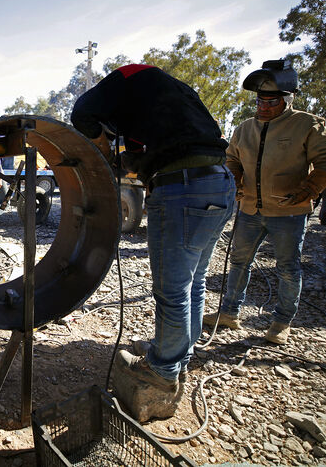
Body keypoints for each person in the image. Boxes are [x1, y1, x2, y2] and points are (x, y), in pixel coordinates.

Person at [71, 64, 235, 420]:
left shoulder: (127, 76)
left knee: (172, 289)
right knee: (193, 282)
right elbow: (144, 155)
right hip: (219, 182)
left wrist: (99, 145)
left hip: (183, 187)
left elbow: (81, 112)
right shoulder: (170, 95)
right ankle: (177, 357)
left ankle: (161, 373)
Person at [203, 59, 326, 345]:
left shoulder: (306, 124)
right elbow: (232, 158)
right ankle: (229, 313)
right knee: (239, 261)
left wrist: (311, 189)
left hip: (289, 213)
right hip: (251, 209)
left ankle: (281, 323)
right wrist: (235, 178)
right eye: (260, 101)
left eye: (271, 102)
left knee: (288, 268)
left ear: (286, 99)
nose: (264, 107)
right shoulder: (244, 128)